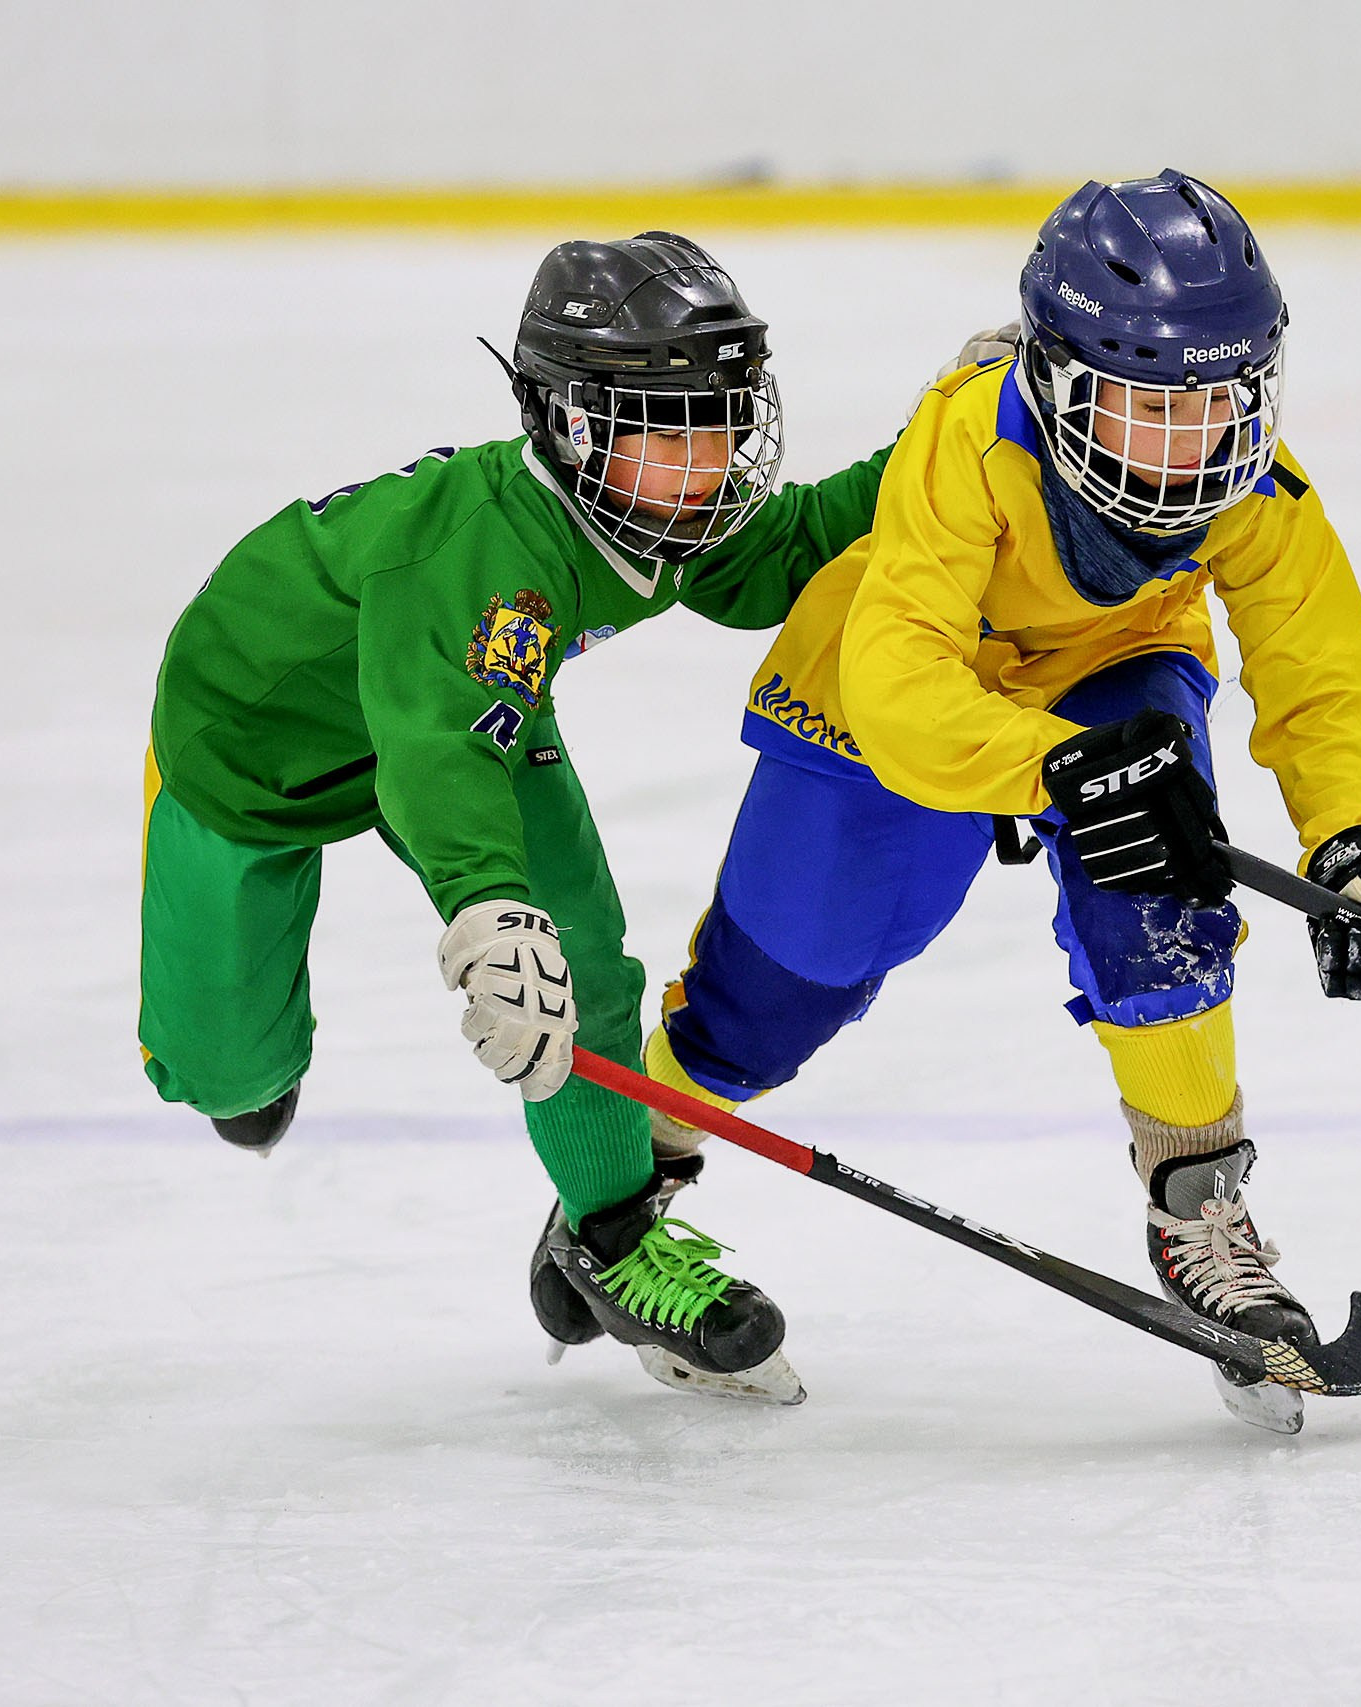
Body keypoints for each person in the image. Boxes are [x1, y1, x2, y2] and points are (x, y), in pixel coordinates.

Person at [567, 171, 1361, 1429]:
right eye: (1146, 409)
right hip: (890, 702)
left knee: (1161, 900)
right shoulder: (969, 439)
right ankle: (617, 1187)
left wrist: (1353, 837)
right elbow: (897, 674)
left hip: (1108, 672)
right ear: (1059, 379)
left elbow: (1316, 663)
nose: (1183, 451)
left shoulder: (1252, 484)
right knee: (769, 1003)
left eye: (1214, 406)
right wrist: (1054, 771)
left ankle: (1196, 1201)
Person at [141, 233, 891, 1404]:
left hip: (478, 708)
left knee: (582, 963)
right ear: (571, 424)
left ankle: (609, 1239)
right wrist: (486, 908)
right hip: (250, 753)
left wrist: (956, 445)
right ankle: (230, 1066)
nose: (704, 457)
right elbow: (430, 744)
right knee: (229, 1077)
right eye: (663, 422)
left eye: (721, 417)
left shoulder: (647, 500)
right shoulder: (481, 556)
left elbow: (776, 558)